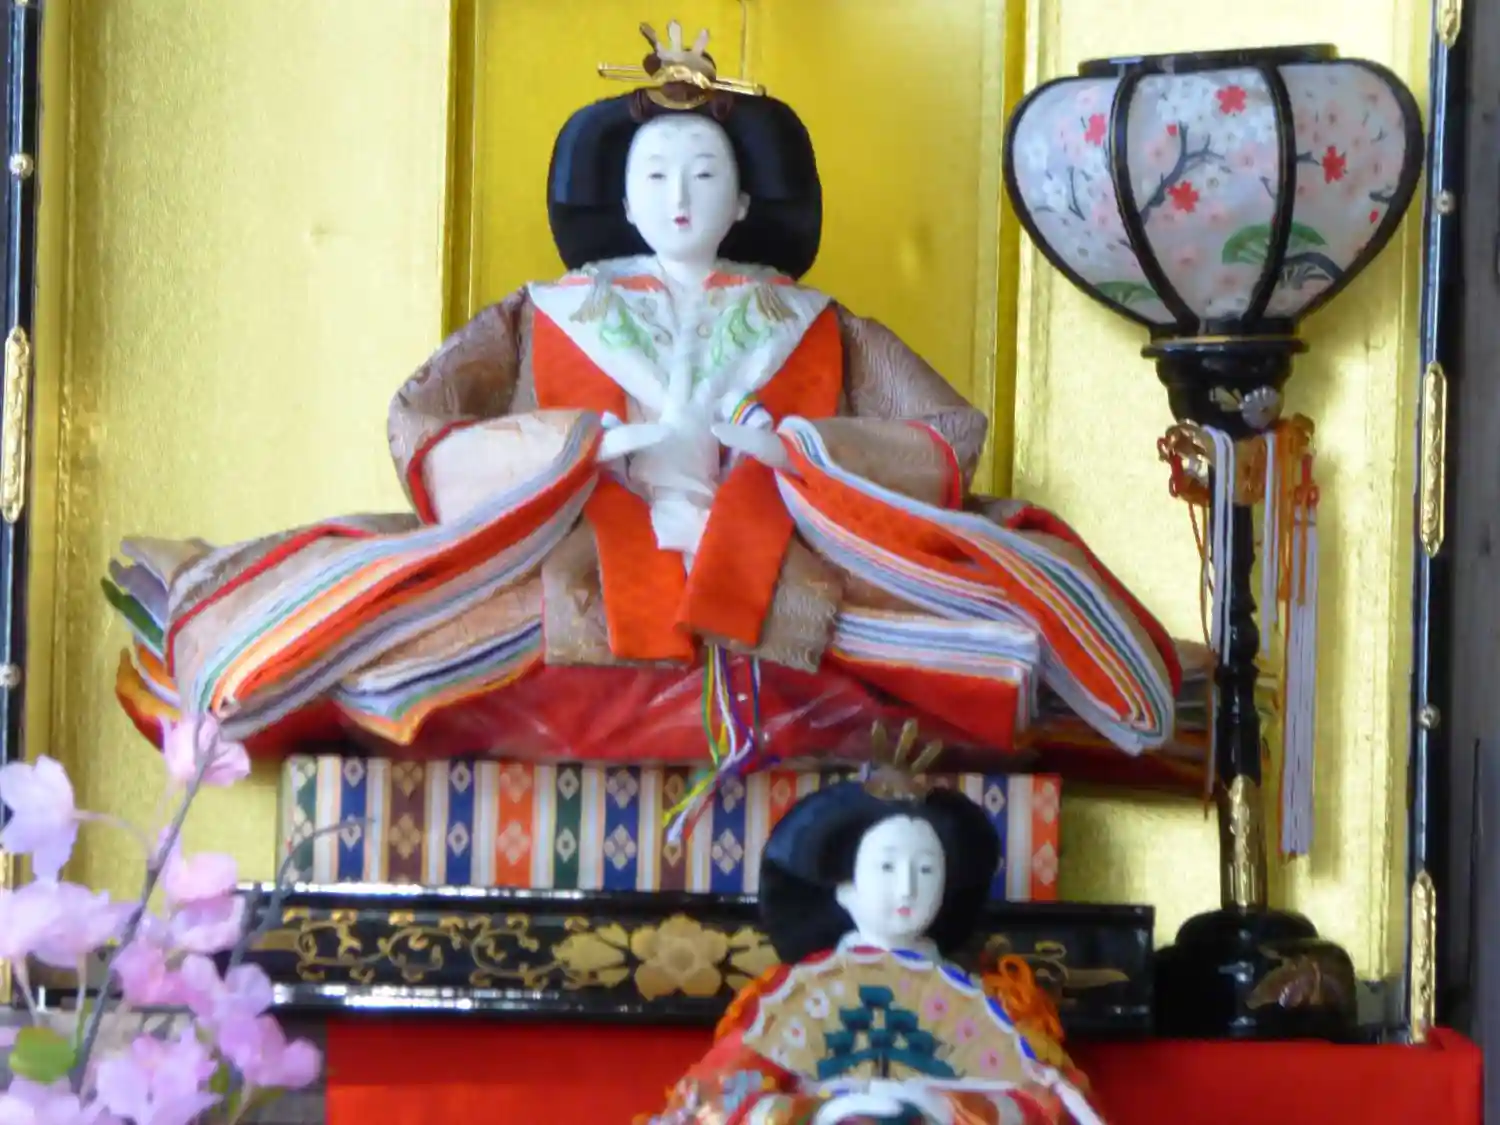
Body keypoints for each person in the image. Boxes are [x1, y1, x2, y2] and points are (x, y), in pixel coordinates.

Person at [104, 20, 1180, 784]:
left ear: (746, 198)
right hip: (578, 542)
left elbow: (942, 433)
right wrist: (584, 445)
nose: (679, 197)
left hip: (776, 546)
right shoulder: (543, 314)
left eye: (705, 175)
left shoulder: (818, 322)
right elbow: (425, 424)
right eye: (657, 176)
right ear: (619, 193)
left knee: (995, 632)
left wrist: (801, 449)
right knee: (388, 640)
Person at [639, 765, 1106, 1123]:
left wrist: (942, 1107)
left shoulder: (992, 1002)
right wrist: (829, 1111)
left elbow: (1060, 1105)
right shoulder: (784, 999)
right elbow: (709, 1103)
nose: (907, 888)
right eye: (886, 867)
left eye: (926, 869)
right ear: (845, 888)